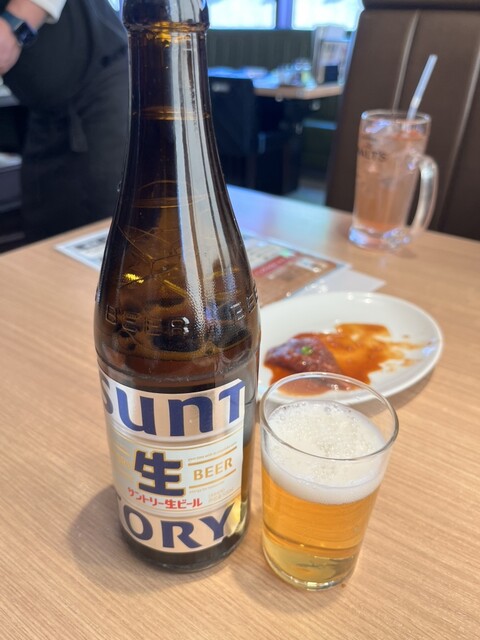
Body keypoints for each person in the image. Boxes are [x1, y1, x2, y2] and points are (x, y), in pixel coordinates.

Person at [0, 0, 129, 243]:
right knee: (43, 234)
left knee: (112, 234)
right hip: (43, 111)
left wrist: (13, 25)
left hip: (101, 88)